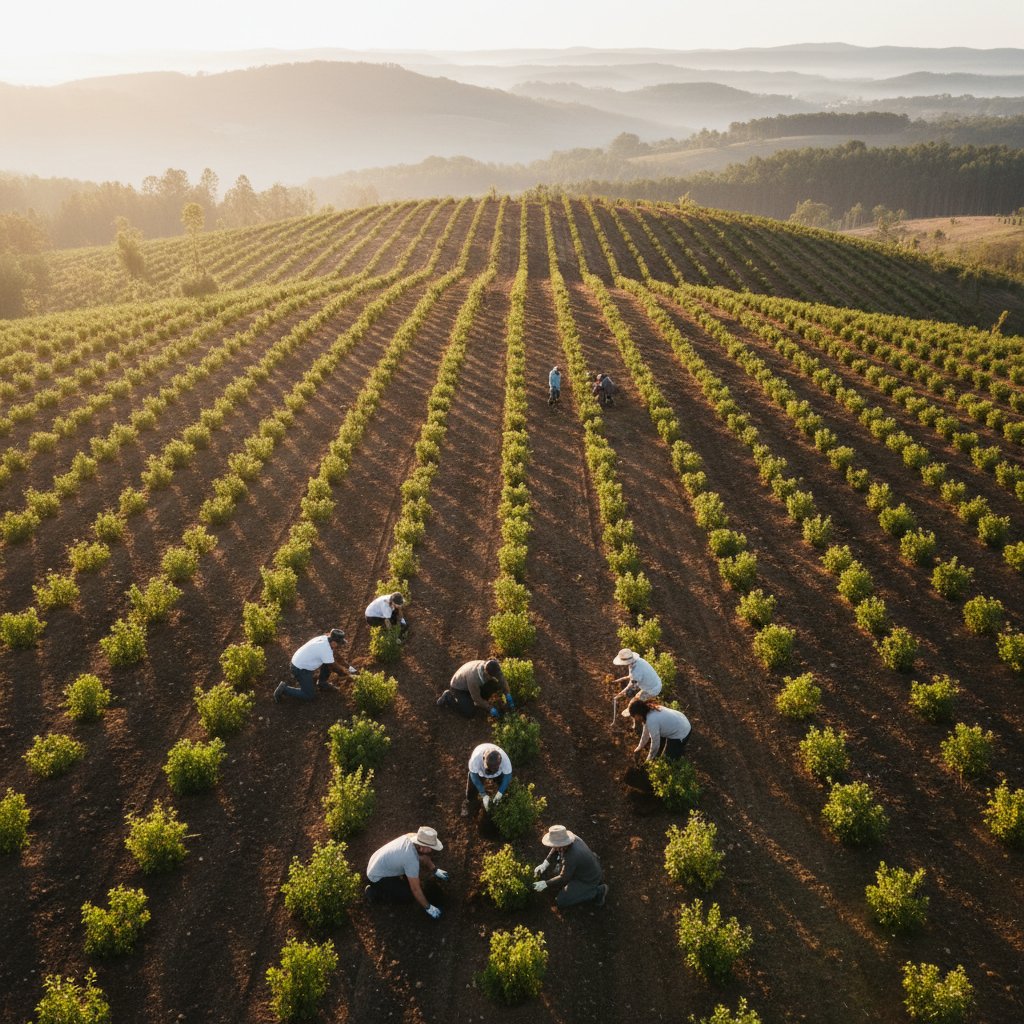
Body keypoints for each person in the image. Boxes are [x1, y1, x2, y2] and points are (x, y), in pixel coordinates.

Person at [364, 826, 449, 918]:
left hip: (377, 862)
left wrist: (435, 869)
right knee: (408, 897)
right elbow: (415, 889)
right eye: (430, 847)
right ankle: (374, 892)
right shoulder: (411, 859)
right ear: (420, 847)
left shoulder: (412, 837)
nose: (431, 850)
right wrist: (428, 907)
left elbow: (424, 858)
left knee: (410, 879)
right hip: (377, 876)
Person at [532, 824, 607, 908]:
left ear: (561, 844)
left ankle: (598, 891)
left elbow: (563, 877)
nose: (553, 847)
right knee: (561, 869)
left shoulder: (571, 856)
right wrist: (545, 863)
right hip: (587, 867)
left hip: (588, 879)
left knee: (562, 901)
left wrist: (545, 884)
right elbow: (555, 847)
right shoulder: (569, 839)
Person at [274, 628, 355, 703]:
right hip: (299, 669)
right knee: (309, 695)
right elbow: (334, 667)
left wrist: (349, 667)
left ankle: (322, 683)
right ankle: (284, 689)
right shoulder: (325, 650)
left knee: (328, 662)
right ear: (334, 642)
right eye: (339, 643)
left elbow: (335, 657)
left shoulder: (325, 638)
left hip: (299, 661)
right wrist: (346, 674)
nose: (339, 646)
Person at [436, 658, 515, 718]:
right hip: (459, 688)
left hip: (470, 684)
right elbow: (476, 698)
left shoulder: (493, 666)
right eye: (492, 676)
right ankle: (448, 697)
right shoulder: (474, 678)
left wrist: (508, 694)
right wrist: (490, 708)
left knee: (494, 685)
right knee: (469, 713)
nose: (495, 676)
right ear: (486, 673)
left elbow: (502, 679)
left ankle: (478, 701)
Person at [622, 697, 692, 761]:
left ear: (638, 714)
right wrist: (639, 747)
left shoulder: (651, 720)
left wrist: (648, 760)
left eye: (633, 716)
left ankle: (677, 752)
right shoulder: (649, 710)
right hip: (682, 722)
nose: (634, 719)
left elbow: (655, 743)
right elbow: (645, 733)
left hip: (681, 732)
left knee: (667, 760)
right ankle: (675, 750)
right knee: (660, 745)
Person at [462, 742, 512, 817]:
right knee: (472, 788)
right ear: (483, 759)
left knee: (505, 788)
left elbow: (508, 776)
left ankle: (504, 804)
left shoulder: (505, 761)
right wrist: (483, 794)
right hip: (480, 772)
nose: (491, 772)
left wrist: (500, 793)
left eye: (494, 769)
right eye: (489, 769)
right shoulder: (476, 758)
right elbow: (473, 775)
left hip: (499, 774)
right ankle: (469, 803)